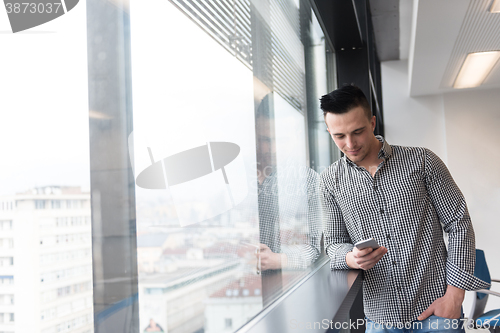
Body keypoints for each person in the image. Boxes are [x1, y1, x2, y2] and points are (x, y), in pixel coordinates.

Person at [319, 84, 489, 331]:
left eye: (358, 131)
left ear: (373, 122)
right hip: (380, 318)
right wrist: (352, 258)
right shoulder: (329, 181)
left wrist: (455, 296)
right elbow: (333, 244)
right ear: (329, 131)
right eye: (339, 136)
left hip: (436, 311)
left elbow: (459, 222)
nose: (350, 143)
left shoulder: (422, 161)